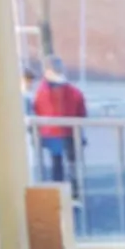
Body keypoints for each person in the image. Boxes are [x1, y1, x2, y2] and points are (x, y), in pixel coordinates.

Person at [33, 55, 88, 199]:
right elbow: (81, 111)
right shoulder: (73, 92)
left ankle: (59, 194)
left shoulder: (41, 92)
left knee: (57, 164)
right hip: (70, 132)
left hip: (51, 133)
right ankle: (74, 193)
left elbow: (38, 110)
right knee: (71, 164)